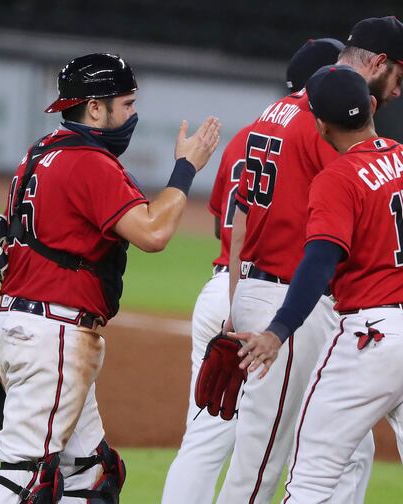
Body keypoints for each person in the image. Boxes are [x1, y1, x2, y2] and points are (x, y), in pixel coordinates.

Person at [220, 16, 403, 504]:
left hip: (364, 331)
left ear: (321, 122)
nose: (401, 89)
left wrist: (273, 329)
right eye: (401, 77)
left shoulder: (331, 167)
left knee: (311, 477)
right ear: (370, 102)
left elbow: (319, 257)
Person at [0, 53, 220, 503]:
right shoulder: (88, 162)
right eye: (126, 104)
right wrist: (186, 168)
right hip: (52, 336)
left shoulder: (41, 152)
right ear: (95, 107)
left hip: (29, 324)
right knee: (24, 480)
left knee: (92, 475)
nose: (133, 114)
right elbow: (153, 232)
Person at [161, 38, 346, 504]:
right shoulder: (314, 132)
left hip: (228, 284)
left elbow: (229, 216)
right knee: (279, 451)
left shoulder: (253, 129)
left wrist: (232, 300)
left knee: (202, 442)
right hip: (276, 294)